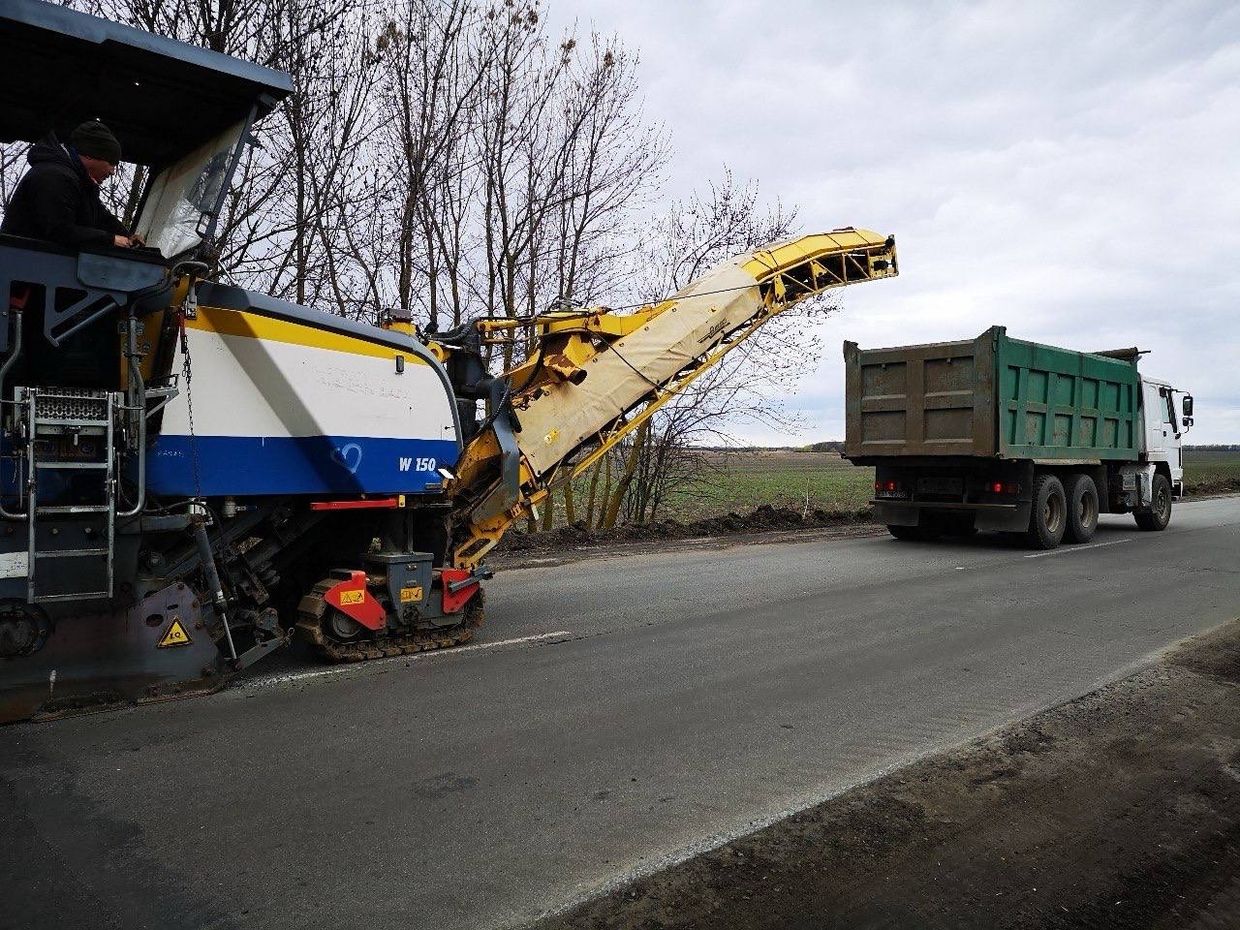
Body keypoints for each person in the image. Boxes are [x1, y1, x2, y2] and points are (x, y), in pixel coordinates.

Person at [1, 120, 143, 251]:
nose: (112, 171)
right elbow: (59, 230)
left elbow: (100, 216)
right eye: (111, 163)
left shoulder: (79, 182)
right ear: (90, 155)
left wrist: (127, 235)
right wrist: (110, 239)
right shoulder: (53, 176)